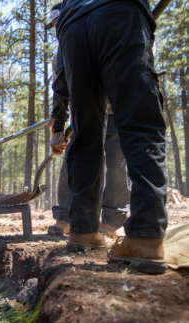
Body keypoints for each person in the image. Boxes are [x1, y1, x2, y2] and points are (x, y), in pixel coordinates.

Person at [50, 0, 168, 274]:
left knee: (86, 133)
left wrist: (58, 127)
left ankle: (83, 231)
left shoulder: (64, 22)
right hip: (119, 11)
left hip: (74, 27)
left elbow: (62, 81)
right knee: (142, 125)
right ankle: (145, 235)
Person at [46, 3, 130, 237]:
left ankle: (111, 221)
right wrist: (58, 128)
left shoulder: (106, 34)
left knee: (116, 165)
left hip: (115, 112)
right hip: (84, 113)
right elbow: (61, 91)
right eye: (54, 25)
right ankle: (65, 217)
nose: (57, 28)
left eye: (58, 23)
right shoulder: (59, 56)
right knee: (73, 163)